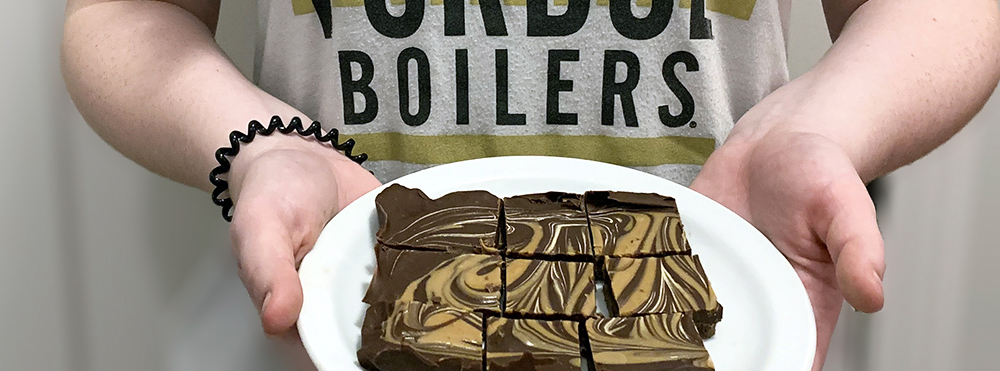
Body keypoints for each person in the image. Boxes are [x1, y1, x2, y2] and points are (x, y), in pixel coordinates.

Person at [61, 0, 1000, 369]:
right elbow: (122, 16)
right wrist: (258, 145)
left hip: (704, 323)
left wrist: (826, 123)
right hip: (354, 332)